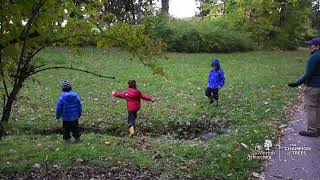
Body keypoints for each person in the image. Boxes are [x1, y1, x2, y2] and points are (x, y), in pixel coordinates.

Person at [288, 37, 320, 137]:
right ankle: (318, 128)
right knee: (318, 107)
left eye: (311, 45)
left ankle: (312, 130)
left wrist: (297, 83)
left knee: (311, 107)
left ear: (317, 46)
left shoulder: (315, 57)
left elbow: (308, 74)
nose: (308, 47)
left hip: (313, 87)